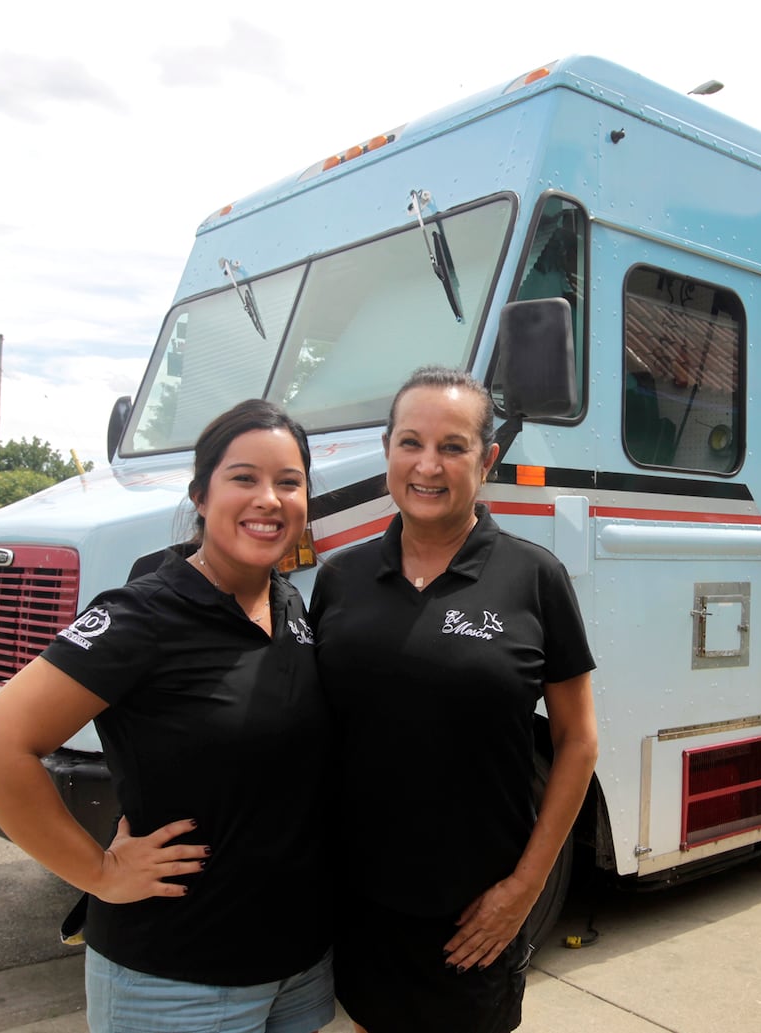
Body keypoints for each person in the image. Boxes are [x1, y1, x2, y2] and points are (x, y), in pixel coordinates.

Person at [0, 399, 334, 1033]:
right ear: (201, 496)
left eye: (288, 482)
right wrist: (99, 872)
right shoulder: (144, 615)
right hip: (177, 979)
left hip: (297, 971)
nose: (269, 498)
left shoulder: (290, 605)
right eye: (243, 478)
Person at [309, 366, 599, 1033]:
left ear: (488, 459)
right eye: (410, 442)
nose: (427, 465)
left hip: (476, 918)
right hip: (360, 906)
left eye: (453, 446)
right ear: (387, 452)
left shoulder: (534, 577)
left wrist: (524, 889)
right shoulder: (341, 578)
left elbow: (577, 741)